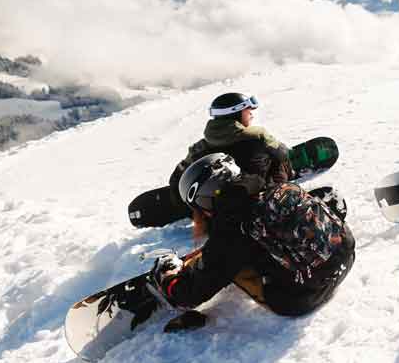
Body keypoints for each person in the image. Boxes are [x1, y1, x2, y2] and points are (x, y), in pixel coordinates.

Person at [149, 152, 355, 316]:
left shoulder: (233, 227)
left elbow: (191, 296)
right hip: (347, 257)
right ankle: (213, 259)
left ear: (206, 199)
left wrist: (169, 281)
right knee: (249, 243)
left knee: (233, 264)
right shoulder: (273, 188)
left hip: (303, 297)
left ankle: (198, 265)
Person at [164, 92, 294, 221]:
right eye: (247, 110)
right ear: (235, 113)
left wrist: (194, 210)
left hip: (216, 207)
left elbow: (177, 177)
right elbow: (283, 154)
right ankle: (281, 195)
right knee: (278, 160)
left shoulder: (199, 148)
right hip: (258, 199)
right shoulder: (258, 136)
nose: (251, 114)